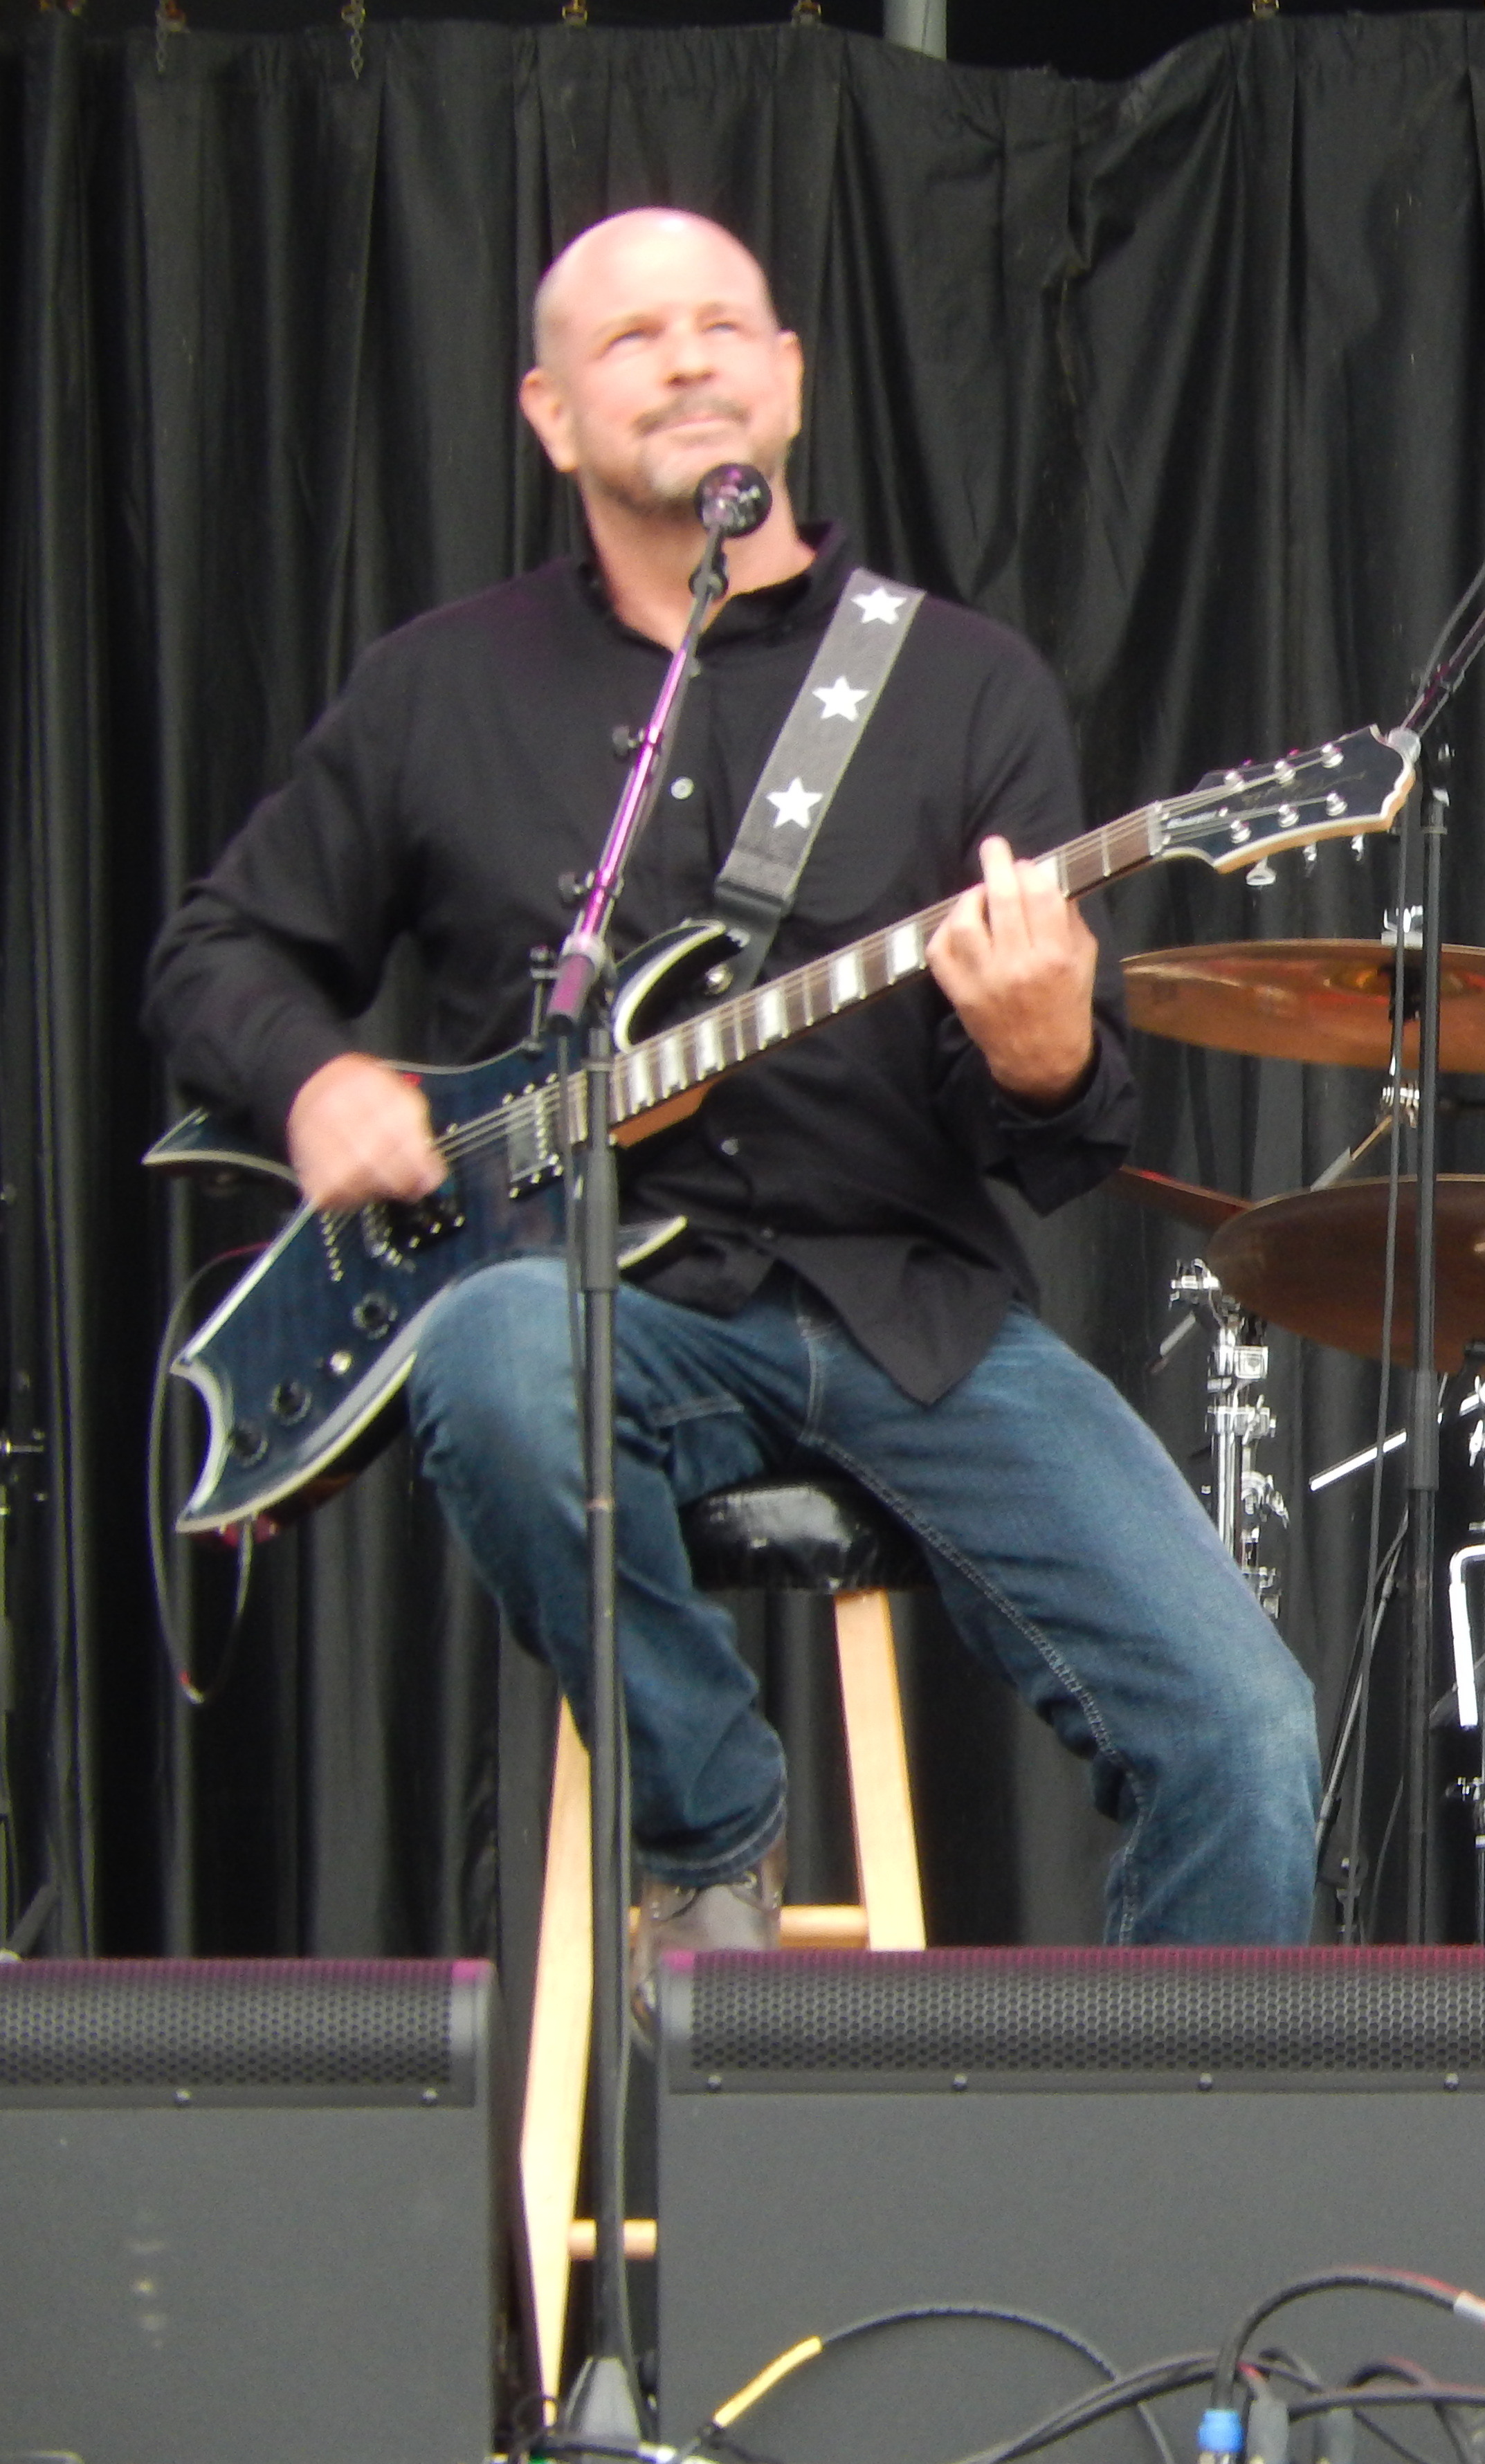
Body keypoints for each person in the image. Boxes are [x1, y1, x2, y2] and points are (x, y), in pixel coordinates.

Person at [143, 208, 1320, 1971]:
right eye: (633, 339)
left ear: (789, 380)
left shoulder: (961, 684)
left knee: (1246, 1733)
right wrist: (314, 1086)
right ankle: (709, 1838)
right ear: (550, 413)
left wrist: (1042, 1044)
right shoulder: (440, 689)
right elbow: (213, 953)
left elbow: (1059, 1137)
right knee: (490, 1351)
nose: (687, 359)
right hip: (590, 1314)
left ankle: (1169, 2145)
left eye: (722, 327)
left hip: (912, 1318)